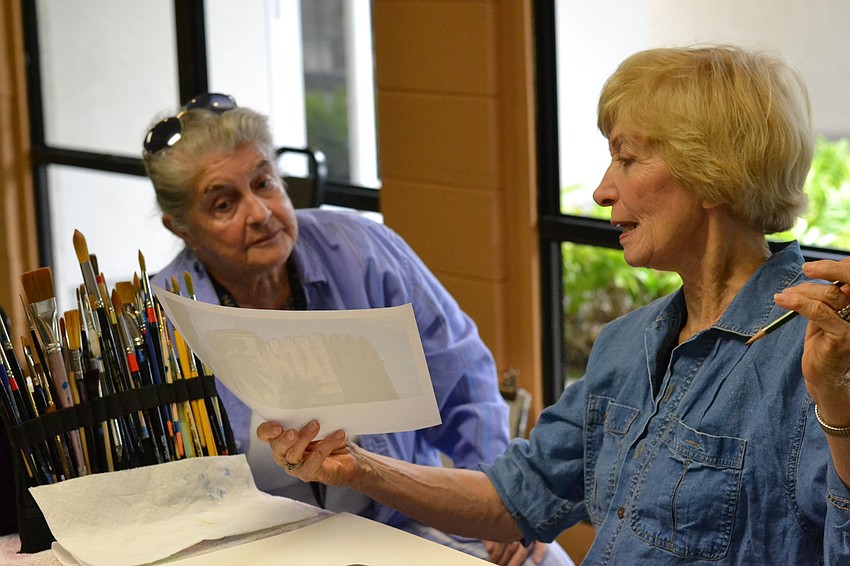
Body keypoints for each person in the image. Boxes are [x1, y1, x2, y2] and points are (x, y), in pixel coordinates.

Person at [257, 44, 850, 565]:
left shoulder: (818, 353)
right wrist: (358, 466)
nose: (601, 190)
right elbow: (515, 499)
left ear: (713, 169)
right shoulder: (628, 344)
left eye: (626, 157)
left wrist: (841, 405)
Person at [142, 94, 573, 566]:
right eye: (224, 203)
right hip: (260, 547)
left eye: (264, 183)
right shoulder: (163, 321)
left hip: (398, 521)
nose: (260, 213)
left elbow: (464, 381)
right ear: (181, 227)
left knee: (540, 560)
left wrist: (500, 503)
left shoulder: (362, 249)